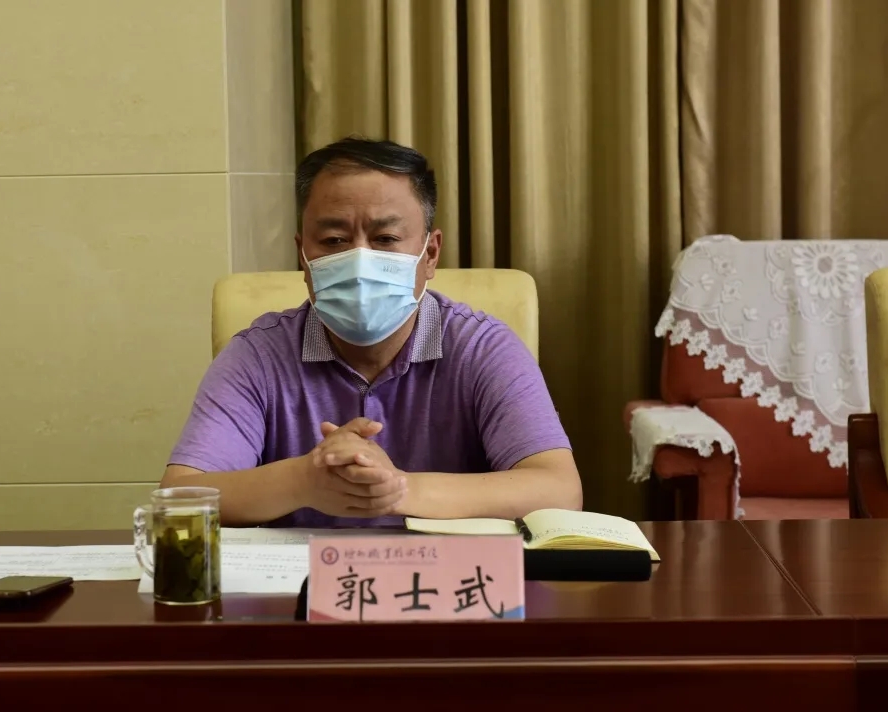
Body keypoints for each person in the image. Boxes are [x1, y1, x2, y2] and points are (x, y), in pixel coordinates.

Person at [161, 136, 581, 527]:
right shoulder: (258, 354)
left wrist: (398, 488)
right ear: (303, 256)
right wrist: (303, 480)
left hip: (445, 579)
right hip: (300, 581)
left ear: (430, 254)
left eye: (385, 238)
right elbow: (179, 497)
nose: (359, 261)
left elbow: (559, 490)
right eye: (334, 240)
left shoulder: (483, 348)